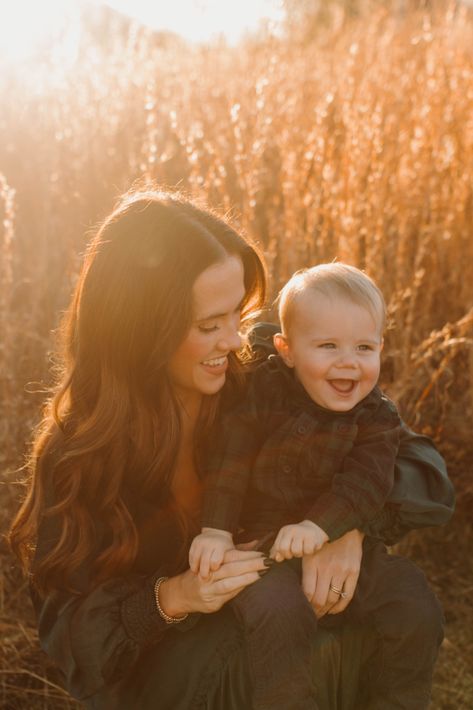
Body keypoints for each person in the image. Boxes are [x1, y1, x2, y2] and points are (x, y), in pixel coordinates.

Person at [9, 189, 454, 710]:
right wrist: (174, 597)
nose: (232, 340)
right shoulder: (81, 455)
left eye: (236, 315)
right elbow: (70, 635)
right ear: (143, 330)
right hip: (180, 667)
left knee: (388, 614)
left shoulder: (265, 373)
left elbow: (416, 462)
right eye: (208, 326)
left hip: (284, 611)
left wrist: (343, 524)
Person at [190, 263, 443, 709]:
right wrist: (216, 529)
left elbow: (366, 483)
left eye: (365, 347)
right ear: (287, 351)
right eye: (328, 346)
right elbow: (230, 462)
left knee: (411, 599)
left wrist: (321, 526)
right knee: (278, 615)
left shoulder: (377, 417)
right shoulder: (262, 392)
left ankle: (398, 701)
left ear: (381, 348)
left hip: (343, 541)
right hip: (261, 548)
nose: (349, 361)